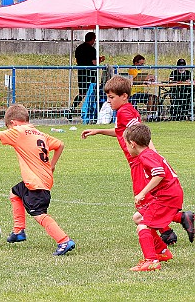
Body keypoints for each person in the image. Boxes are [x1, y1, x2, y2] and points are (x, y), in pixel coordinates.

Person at [81, 75, 194, 245]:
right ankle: (173, 226)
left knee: (143, 202)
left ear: (124, 96)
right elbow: (123, 131)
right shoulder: (127, 110)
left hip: (138, 162)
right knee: (146, 201)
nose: (108, 101)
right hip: (139, 160)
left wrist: (153, 155)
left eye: (111, 97)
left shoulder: (124, 112)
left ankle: (171, 228)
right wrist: (98, 131)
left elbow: (140, 136)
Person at [0, 104, 75, 256]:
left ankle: (63, 240)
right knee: (15, 193)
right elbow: (60, 144)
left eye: (8, 127)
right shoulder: (39, 133)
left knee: (38, 213)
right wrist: (52, 166)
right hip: (40, 179)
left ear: (13, 122)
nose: (9, 131)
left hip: (37, 183)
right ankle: (18, 230)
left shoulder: (17, 131)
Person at [123, 123, 183, 271]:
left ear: (133, 144)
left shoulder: (145, 157)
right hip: (170, 194)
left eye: (126, 145)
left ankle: (151, 261)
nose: (126, 148)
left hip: (167, 197)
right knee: (138, 218)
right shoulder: (150, 153)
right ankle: (162, 252)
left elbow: (159, 174)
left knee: (143, 225)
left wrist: (142, 193)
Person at [73, 32, 105, 111]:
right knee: (94, 91)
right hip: (91, 74)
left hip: (81, 72)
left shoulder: (79, 48)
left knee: (82, 93)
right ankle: (94, 110)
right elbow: (94, 62)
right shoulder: (92, 50)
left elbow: (77, 60)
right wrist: (100, 59)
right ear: (92, 39)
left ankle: (72, 108)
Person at [128, 54, 158, 121]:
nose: (142, 66)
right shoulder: (132, 69)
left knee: (154, 97)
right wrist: (146, 78)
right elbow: (136, 79)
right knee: (150, 97)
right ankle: (149, 116)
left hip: (140, 93)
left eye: (143, 64)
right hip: (133, 94)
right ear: (136, 63)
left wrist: (148, 80)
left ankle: (153, 115)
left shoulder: (139, 70)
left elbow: (141, 79)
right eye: (141, 64)